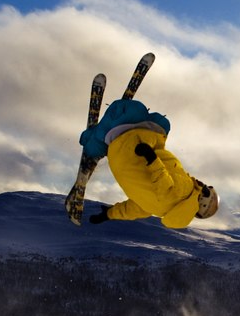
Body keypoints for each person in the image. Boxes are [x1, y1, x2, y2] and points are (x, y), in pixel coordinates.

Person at [79, 98, 219, 229]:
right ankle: (97, 145)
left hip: (132, 145)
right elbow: (131, 210)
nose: (203, 185)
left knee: (132, 111)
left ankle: (94, 138)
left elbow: (164, 184)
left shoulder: (186, 190)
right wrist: (108, 214)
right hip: (119, 158)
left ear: (202, 200)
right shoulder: (158, 210)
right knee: (161, 124)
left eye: (206, 189)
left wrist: (150, 157)